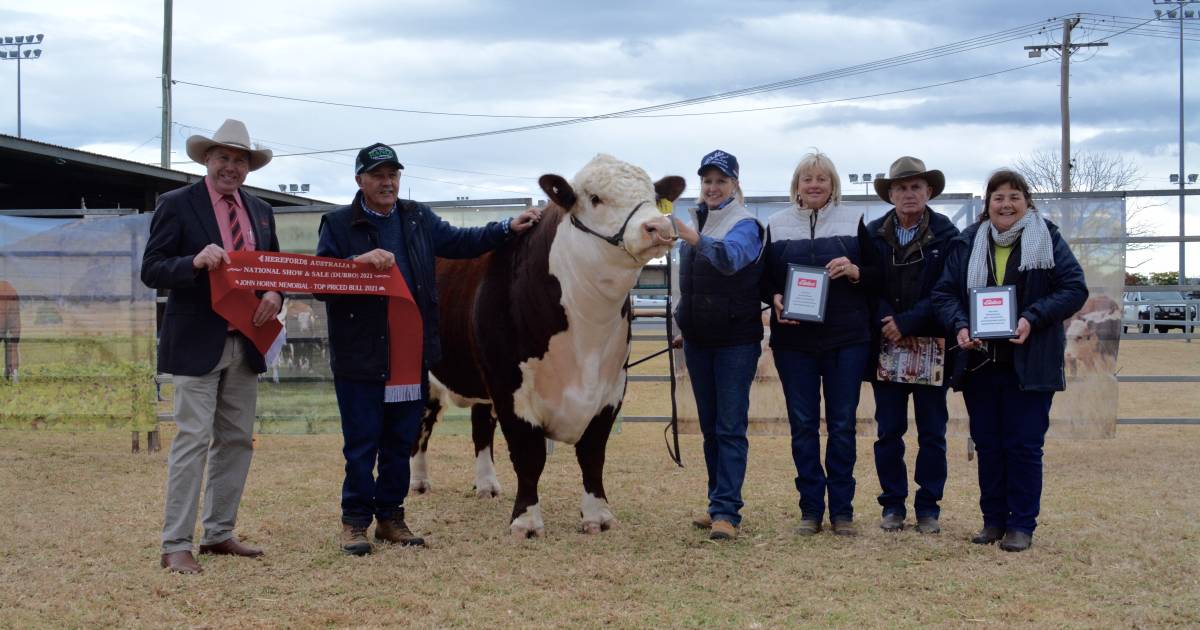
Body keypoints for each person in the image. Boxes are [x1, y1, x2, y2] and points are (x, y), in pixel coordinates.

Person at [316, 143, 542, 556]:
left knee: (401, 439)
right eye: (378, 175)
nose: (387, 182)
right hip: (361, 353)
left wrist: (508, 227)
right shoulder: (336, 223)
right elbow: (321, 283)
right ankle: (354, 523)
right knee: (362, 441)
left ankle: (390, 517)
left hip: (409, 350)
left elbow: (461, 241)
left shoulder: (416, 217)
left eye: (393, 174)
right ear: (359, 180)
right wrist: (356, 263)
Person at [141, 119, 283, 574]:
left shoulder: (261, 211)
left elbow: (273, 268)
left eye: (239, 160)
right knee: (192, 441)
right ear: (207, 160)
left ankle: (219, 533)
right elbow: (153, 269)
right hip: (197, 342)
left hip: (247, 343)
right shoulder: (177, 204)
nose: (231, 167)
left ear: (248, 167)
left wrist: (276, 294)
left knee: (238, 440)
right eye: (223, 157)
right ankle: (175, 543)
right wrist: (193, 262)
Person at [932, 169, 1087, 552]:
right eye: (998, 197)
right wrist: (961, 324)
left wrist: (1031, 317)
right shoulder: (969, 242)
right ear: (987, 204)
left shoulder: (1046, 238)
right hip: (981, 362)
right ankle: (993, 521)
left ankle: (1021, 524)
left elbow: (1074, 288)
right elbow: (944, 294)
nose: (1006, 204)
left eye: (1014, 196)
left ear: (1027, 202)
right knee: (988, 444)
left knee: (1023, 445)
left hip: (1029, 362)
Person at [763, 151, 871, 537]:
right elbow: (763, 279)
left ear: (833, 184)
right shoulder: (775, 225)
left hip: (846, 340)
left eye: (822, 179)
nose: (814, 185)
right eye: (807, 178)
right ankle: (810, 509)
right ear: (796, 185)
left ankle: (842, 511)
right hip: (794, 343)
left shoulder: (855, 221)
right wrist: (774, 297)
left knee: (842, 425)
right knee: (803, 425)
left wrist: (857, 271)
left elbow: (877, 275)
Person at [861, 157, 960, 534]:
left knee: (932, 431)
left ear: (928, 191)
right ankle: (892, 505)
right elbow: (867, 284)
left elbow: (948, 289)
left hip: (933, 346)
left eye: (915, 187)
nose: (908, 194)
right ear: (890, 195)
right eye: (901, 188)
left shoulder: (949, 236)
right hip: (887, 347)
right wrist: (887, 319)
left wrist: (908, 321)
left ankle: (929, 506)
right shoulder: (871, 235)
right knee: (889, 431)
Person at [670, 149, 765, 541]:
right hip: (699, 340)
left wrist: (694, 238)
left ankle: (728, 511)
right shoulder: (698, 219)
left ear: (735, 185)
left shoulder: (745, 224)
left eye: (721, 181)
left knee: (729, 427)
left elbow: (731, 260)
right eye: (707, 181)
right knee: (711, 428)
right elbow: (688, 284)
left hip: (734, 342)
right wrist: (684, 322)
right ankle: (717, 504)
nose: (712, 187)